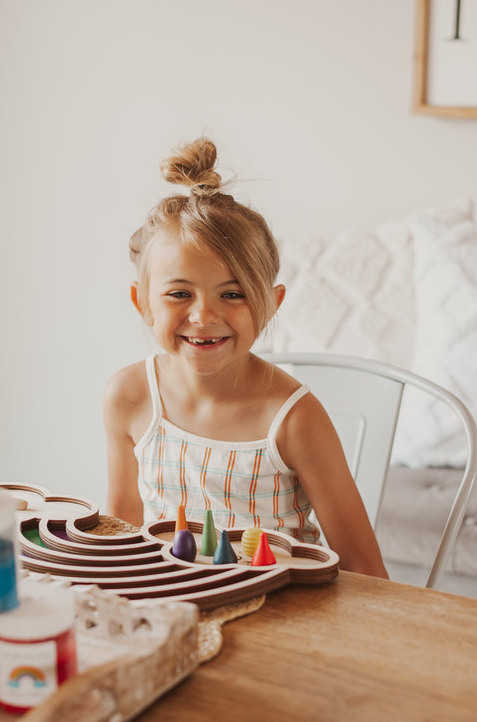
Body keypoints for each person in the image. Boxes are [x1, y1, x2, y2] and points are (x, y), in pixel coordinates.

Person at [103, 137, 389, 578]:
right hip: (175, 613)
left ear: (270, 304)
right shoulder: (128, 396)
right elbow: (121, 539)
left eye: (232, 294)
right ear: (142, 302)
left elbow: (366, 571)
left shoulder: (295, 419)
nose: (203, 315)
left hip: (282, 624)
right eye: (179, 293)